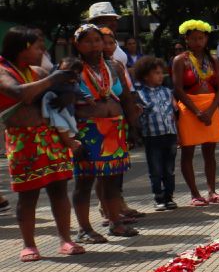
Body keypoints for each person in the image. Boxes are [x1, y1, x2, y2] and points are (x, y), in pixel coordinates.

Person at [0, 26, 81, 264]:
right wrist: (53, 79)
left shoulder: (36, 70)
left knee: (58, 189)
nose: (42, 52)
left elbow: (66, 86)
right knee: (28, 194)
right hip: (22, 140)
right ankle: (29, 244)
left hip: (50, 137)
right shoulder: (4, 71)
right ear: (24, 47)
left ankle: (65, 239)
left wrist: (68, 94)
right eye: (38, 47)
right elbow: (18, 93)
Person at [71, 24, 137, 241]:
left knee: (111, 180)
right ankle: (84, 229)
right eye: (88, 41)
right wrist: (71, 139)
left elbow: (126, 98)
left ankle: (115, 223)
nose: (94, 45)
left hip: (115, 128)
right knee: (85, 181)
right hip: (87, 130)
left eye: (97, 40)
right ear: (77, 45)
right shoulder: (71, 68)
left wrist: (133, 127)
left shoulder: (114, 66)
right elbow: (62, 104)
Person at [172, 20, 219, 206]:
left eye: (200, 38)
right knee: (188, 151)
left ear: (206, 38)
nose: (197, 42)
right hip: (189, 108)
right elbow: (178, 89)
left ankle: (212, 191)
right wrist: (196, 111)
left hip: (211, 107)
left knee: (210, 151)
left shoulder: (213, 60)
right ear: (186, 39)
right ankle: (195, 193)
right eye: (193, 38)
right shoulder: (180, 60)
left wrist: (210, 111)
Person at [133, 56, 179, 211]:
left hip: (169, 134)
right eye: (156, 73)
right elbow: (139, 115)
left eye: (161, 73)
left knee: (169, 168)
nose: (160, 76)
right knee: (156, 169)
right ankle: (158, 197)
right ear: (146, 76)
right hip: (152, 136)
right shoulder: (139, 94)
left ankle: (169, 197)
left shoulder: (167, 91)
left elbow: (175, 111)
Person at [42, 57, 83, 153]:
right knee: (62, 125)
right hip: (53, 105)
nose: (64, 75)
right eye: (63, 71)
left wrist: (76, 95)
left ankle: (70, 141)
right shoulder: (52, 77)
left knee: (70, 125)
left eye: (69, 73)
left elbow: (79, 93)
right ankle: (68, 141)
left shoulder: (74, 83)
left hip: (66, 108)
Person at [87, 2, 130, 66]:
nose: (114, 23)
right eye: (108, 20)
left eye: (115, 20)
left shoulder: (112, 39)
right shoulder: (93, 46)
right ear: (96, 23)